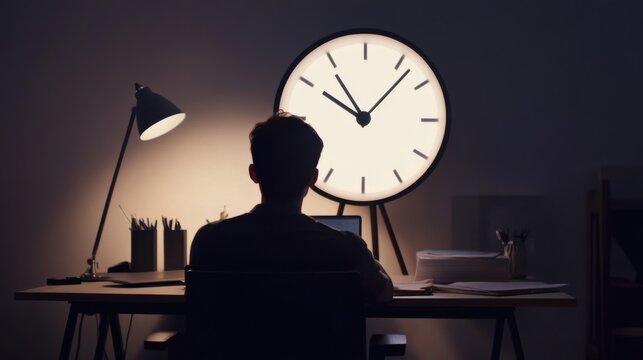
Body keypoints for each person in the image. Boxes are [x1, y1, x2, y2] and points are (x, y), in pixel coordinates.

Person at [189, 111, 393, 303]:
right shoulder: (347, 247)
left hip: (233, 342)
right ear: (313, 178)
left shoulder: (209, 239)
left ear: (254, 173)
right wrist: (368, 260)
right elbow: (384, 293)